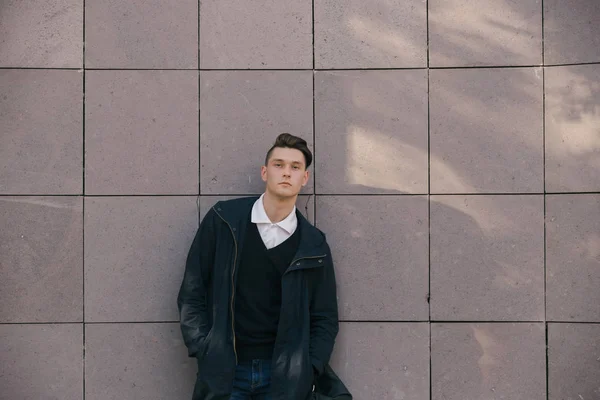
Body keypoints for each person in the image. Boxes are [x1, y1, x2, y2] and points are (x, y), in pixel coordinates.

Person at [177, 133, 351, 400]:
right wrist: (204, 348)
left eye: (295, 167)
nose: (286, 173)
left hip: (283, 379)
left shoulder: (313, 245)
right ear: (264, 172)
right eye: (278, 164)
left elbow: (324, 317)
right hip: (226, 371)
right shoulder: (225, 221)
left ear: (304, 178)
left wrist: (309, 368)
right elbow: (192, 289)